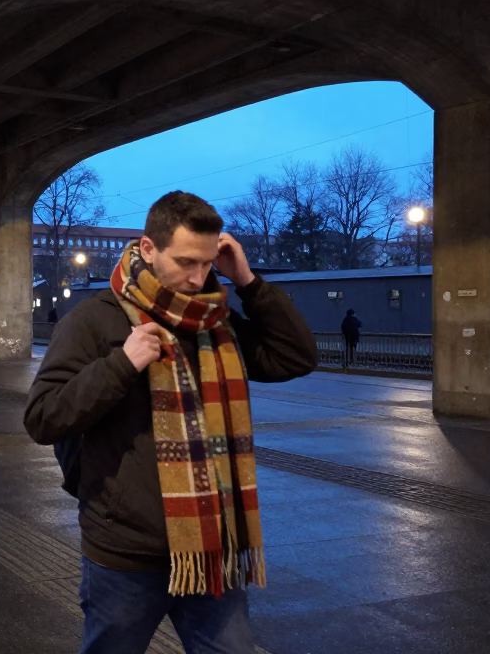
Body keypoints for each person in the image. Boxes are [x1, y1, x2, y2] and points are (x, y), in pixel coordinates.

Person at [24, 191, 318, 654]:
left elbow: (295, 357)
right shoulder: (94, 321)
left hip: (210, 545)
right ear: (147, 249)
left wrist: (247, 281)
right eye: (185, 262)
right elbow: (43, 417)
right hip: (126, 550)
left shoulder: (214, 321)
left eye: (207, 263)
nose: (197, 277)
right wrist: (121, 364)